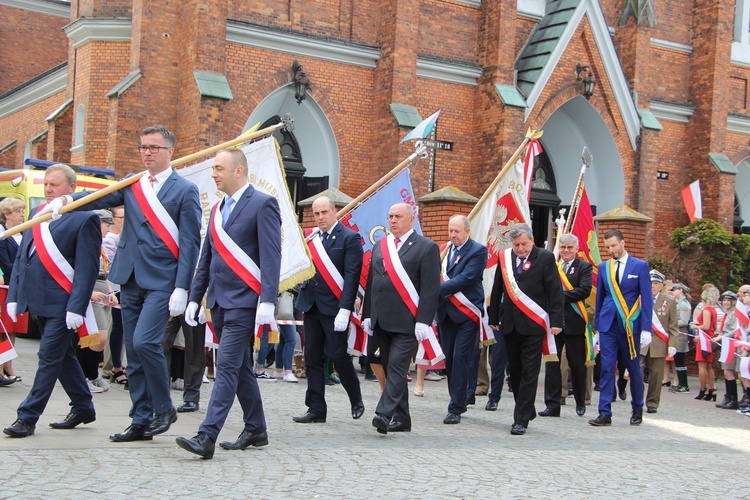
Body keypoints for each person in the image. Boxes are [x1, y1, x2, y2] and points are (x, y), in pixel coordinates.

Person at [40, 126, 202, 441]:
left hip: (162, 280)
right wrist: (69, 199)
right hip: (129, 276)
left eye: (154, 147)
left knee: (145, 343)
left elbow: (190, 242)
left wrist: (183, 287)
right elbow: (100, 197)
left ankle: (163, 407)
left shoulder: (185, 190)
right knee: (133, 350)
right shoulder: (133, 183)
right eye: (143, 147)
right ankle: (140, 418)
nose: (147, 153)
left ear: (170, 151)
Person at [175, 147, 281, 459]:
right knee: (241, 368)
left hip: (246, 302)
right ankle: (256, 428)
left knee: (226, 367)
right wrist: (196, 298)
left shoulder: (263, 203)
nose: (213, 174)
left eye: (219, 168)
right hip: (220, 302)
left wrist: (268, 300)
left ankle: (206, 436)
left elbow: (271, 255)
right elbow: (206, 258)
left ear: (238, 170)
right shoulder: (218, 209)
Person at [3, 164, 101, 437]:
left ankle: (27, 416)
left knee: (47, 356)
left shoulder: (84, 217)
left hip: (63, 302)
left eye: (54, 185)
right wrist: (15, 295)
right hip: (38, 299)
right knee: (62, 356)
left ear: (71, 189)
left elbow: (86, 267)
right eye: (46, 184)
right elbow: (23, 256)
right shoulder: (38, 213)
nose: (48, 189)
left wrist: (77, 305)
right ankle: (83, 406)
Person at [362, 203, 440, 434]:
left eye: (398, 216)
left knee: (397, 368)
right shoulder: (381, 245)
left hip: (408, 322)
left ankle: (384, 414)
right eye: (390, 216)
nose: (393, 220)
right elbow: (372, 282)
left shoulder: (426, 247)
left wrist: (424, 320)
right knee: (389, 368)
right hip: (381, 320)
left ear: (411, 219)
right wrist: (367, 314)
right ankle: (403, 419)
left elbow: (430, 288)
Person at [293, 196, 364, 424]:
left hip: (334, 308)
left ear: (335, 211)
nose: (321, 217)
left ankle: (356, 399)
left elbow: (352, 276)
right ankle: (316, 408)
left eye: (325, 212)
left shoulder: (349, 238)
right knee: (312, 357)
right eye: (316, 214)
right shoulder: (311, 237)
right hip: (311, 305)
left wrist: (345, 309)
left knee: (338, 355)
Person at [488, 223, 563, 435]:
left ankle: (520, 419)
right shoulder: (505, 258)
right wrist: (494, 316)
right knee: (515, 371)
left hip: (534, 324)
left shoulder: (545, 258)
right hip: (510, 323)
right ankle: (526, 407)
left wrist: (556, 321)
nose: (520, 249)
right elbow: (497, 288)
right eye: (516, 245)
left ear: (532, 241)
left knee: (530, 372)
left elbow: (554, 291)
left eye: (524, 244)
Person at [589, 229, 653, 427]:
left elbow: (647, 299)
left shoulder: (640, 266)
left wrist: (645, 329)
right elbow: (600, 299)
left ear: (623, 243)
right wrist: (598, 328)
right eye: (607, 247)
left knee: (633, 369)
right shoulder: (603, 267)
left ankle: (637, 408)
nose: (611, 250)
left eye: (613, 246)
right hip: (608, 325)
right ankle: (604, 412)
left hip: (630, 325)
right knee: (606, 369)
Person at [436, 215, 487, 424]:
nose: (452, 235)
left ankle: (455, 408)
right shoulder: (444, 250)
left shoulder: (478, 251)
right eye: (450, 231)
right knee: (449, 359)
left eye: (456, 231)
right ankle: (458, 399)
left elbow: (466, 278)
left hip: (466, 313)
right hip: (445, 312)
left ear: (467, 231)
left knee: (460, 358)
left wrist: (435, 290)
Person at [539, 233, 592, 418]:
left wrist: (558, 297)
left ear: (576, 249)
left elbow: (584, 290)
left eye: (570, 247)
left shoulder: (584, 267)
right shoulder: (552, 267)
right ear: (559, 249)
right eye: (563, 248)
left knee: (577, 365)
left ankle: (579, 400)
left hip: (575, 323)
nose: (566, 251)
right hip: (554, 322)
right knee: (552, 364)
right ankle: (552, 405)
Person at [640, 270, 678, 413]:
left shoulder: (669, 302)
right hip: (641, 343)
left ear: (662, 286)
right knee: (636, 372)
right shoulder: (639, 298)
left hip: (659, 343)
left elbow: (673, 326)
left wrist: (672, 344)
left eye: (656, 283)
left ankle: (652, 403)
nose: (652, 286)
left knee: (656, 376)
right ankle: (637, 400)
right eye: (650, 283)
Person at [0, 197, 26, 382]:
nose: (22, 215)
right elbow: (6, 263)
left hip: (19, 287)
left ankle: (9, 365)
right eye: (18, 211)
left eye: (22, 211)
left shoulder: (22, 234)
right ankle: (0, 369)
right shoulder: (2, 234)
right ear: (6, 214)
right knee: (3, 329)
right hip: (6, 285)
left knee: (12, 329)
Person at [101, 206, 126, 387]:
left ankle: (118, 364)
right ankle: (114, 366)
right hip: (114, 287)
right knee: (116, 327)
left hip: (125, 286)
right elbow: (111, 264)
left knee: (122, 328)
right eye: (121, 217)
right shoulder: (110, 240)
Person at [690, 286, 719, 402]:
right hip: (710, 338)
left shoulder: (706, 310)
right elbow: (714, 326)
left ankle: (703, 388)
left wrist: (695, 326)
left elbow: (706, 326)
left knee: (702, 366)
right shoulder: (713, 310)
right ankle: (712, 389)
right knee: (708, 366)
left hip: (704, 340)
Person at [715, 291, 740, 409]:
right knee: (726, 371)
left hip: (731, 343)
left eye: (728, 300)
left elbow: (735, 330)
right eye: (724, 300)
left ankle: (733, 398)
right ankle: (728, 396)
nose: (725, 302)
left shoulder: (735, 314)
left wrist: (721, 337)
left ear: (733, 302)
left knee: (729, 371)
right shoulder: (727, 313)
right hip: (725, 343)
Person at [669, 283, 692, 393]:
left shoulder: (684, 305)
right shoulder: (678, 303)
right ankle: (681, 384)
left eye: (674, 290)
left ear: (680, 291)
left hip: (681, 334)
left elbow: (683, 321)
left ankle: (684, 384)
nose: (672, 292)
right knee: (677, 360)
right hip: (676, 334)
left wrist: (670, 323)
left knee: (680, 359)